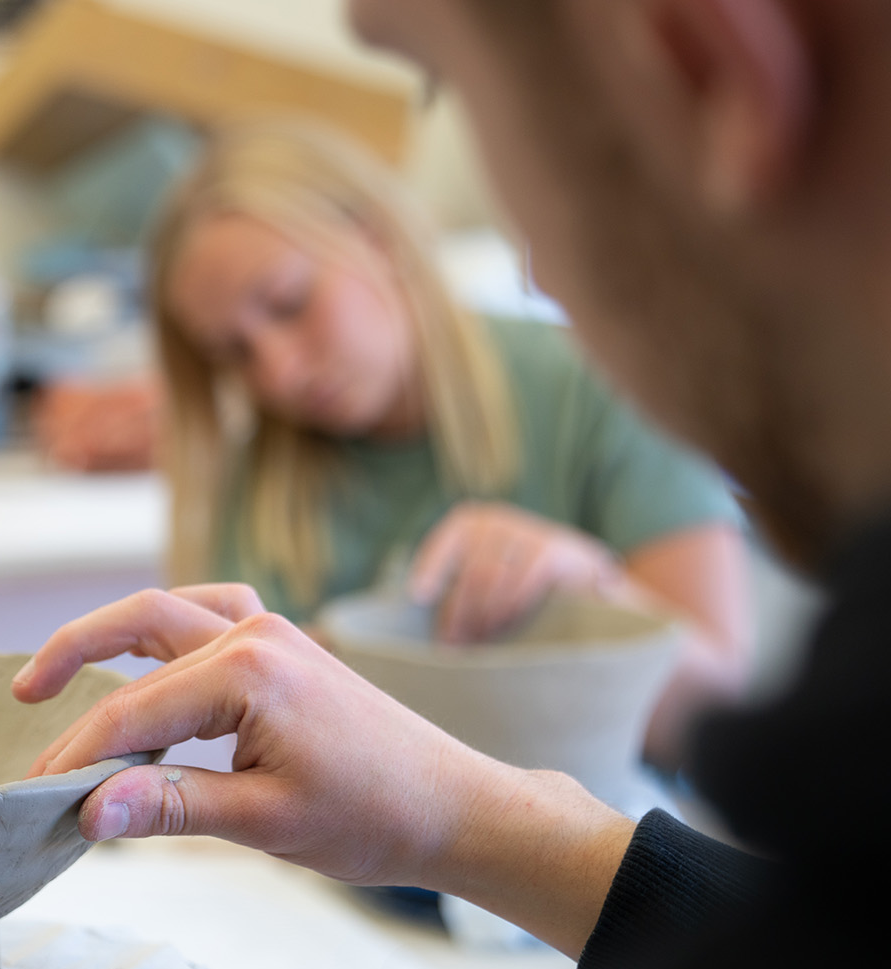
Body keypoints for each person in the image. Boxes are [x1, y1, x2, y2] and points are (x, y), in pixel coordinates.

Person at [10, 0, 891, 969]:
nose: (538, 272)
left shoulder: (581, 391)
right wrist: (475, 826)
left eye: (461, 93)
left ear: (706, 63)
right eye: (234, 351)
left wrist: (592, 590)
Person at [149, 122, 751, 763]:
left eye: (289, 303)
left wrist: (588, 584)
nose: (278, 375)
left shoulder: (597, 390)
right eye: (232, 353)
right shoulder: (268, 474)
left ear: (378, 237)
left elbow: (718, 717)